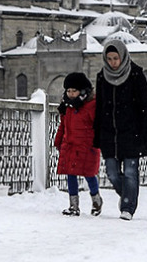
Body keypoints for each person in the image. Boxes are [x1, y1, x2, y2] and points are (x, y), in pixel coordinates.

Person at [93, 39, 147, 221]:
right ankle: (128, 194)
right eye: (109, 58)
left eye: (116, 58)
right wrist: (97, 134)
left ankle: (128, 206)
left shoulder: (135, 75)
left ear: (123, 57)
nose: (113, 62)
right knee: (112, 173)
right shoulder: (102, 77)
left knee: (130, 172)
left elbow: (146, 106)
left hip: (132, 133)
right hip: (110, 135)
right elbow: (100, 107)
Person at [53, 72, 103, 217]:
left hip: (88, 146)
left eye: (74, 90)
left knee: (89, 174)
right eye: (68, 91)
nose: (71, 94)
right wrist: (58, 140)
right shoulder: (67, 106)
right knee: (71, 174)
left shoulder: (92, 105)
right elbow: (63, 126)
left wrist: (99, 141)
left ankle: (96, 200)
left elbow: (98, 125)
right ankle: (73, 205)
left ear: (83, 91)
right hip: (70, 145)